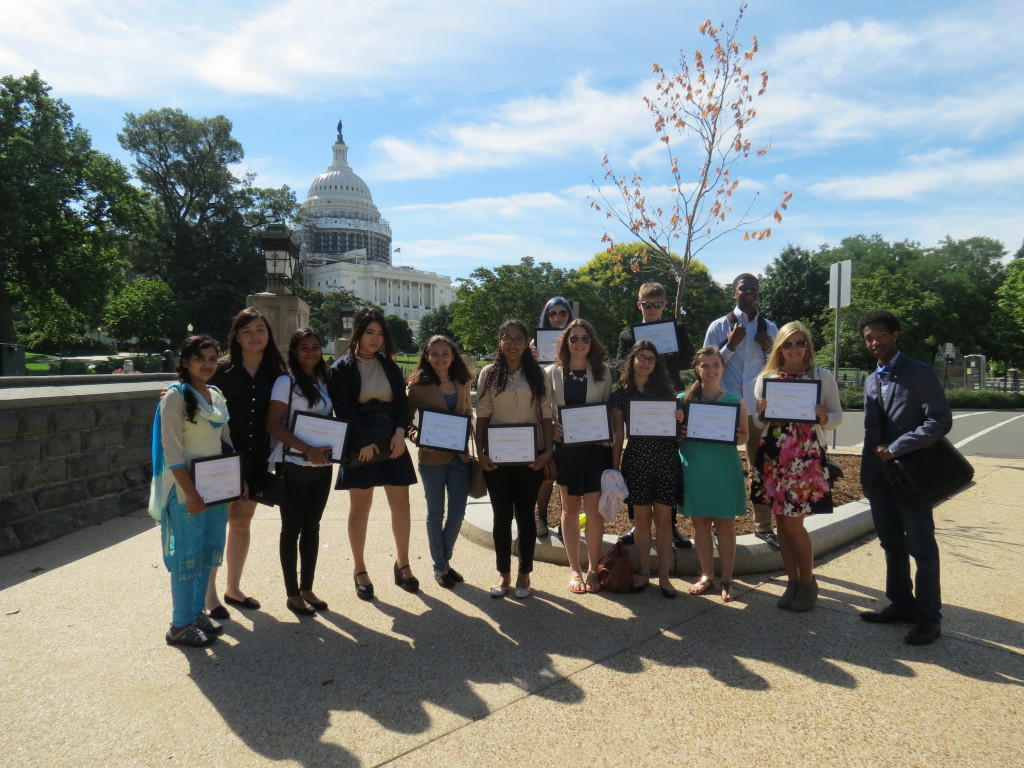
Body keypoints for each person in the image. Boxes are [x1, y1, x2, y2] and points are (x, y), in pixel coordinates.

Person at [858, 310, 951, 645]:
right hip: (880, 478)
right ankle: (900, 603)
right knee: (890, 543)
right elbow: (871, 434)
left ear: (895, 335)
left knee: (921, 547)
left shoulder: (919, 373)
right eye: (868, 337)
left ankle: (929, 618)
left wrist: (898, 447)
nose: (873, 343)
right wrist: (866, 474)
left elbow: (939, 420)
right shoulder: (871, 380)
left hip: (912, 475)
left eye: (879, 336)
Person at [149, 335, 235, 647]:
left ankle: (196, 612)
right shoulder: (174, 397)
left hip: (215, 487)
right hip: (187, 491)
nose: (208, 365)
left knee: (207, 550)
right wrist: (193, 494)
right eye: (201, 359)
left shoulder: (215, 394)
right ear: (185, 362)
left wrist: (237, 480)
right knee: (187, 554)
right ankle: (179, 624)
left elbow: (225, 442)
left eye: (213, 359)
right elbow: (173, 454)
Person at [751, 322, 842, 612]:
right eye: (788, 344)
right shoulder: (767, 378)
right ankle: (792, 581)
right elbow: (758, 423)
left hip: (806, 457)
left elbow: (838, 416)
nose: (794, 349)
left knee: (794, 523)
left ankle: (808, 582)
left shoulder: (821, 376)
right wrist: (761, 413)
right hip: (774, 456)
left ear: (807, 347)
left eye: (800, 343)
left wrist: (824, 416)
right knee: (780, 522)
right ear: (779, 347)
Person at [328, 307, 419, 600]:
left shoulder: (390, 366)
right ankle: (359, 568)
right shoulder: (342, 367)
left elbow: (401, 404)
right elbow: (343, 408)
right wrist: (363, 440)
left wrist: (399, 432)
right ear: (358, 332)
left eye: (380, 334)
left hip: (391, 439)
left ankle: (403, 564)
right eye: (370, 332)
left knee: (401, 505)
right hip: (361, 443)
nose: (376, 339)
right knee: (360, 507)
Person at [206, 307, 287, 620]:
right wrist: (172, 391)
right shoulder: (221, 370)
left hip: (256, 459)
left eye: (260, 330)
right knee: (216, 526)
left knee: (241, 523)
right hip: (222, 458)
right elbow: (193, 391)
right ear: (236, 337)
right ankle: (210, 594)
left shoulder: (276, 373)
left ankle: (233, 588)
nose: (255, 336)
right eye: (248, 331)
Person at [476, 319, 555, 599]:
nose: (512, 343)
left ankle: (524, 573)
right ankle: (503, 572)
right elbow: (483, 412)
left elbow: (546, 412)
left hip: (529, 457)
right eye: (507, 338)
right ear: (499, 342)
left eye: (518, 338)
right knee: (501, 516)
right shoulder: (489, 373)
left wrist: (547, 451)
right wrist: (480, 451)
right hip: (497, 459)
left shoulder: (538, 374)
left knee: (525, 516)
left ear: (526, 342)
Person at [615, 282, 695, 549]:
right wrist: (641, 360)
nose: (652, 309)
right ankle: (637, 525)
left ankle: (670, 526)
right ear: (639, 305)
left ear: (664, 305)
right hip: (637, 402)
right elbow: (619, 364)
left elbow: (688, 360)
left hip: (668, 397)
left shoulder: (677, 329)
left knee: (668, 462)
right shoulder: (628, 335)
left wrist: (661, 356)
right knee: (638, 461)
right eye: (646, 305)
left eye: (657, 305)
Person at [703, 273, 779, 550]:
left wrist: (770, 350)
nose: (748, 292)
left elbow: (781, 366)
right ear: (734, 292)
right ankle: (712, 525)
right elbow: (705, 366)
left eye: (753, 288)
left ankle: (764, 526)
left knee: (759, 468)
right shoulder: (719, 326)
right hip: (724, 406)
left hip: (759, 407)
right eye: (743, 288)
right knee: (717, 466)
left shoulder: (770, 329)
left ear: (758, 293)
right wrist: (730, 346)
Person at [265, 328, 334, 617]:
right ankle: (292, 593)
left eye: (315, 347)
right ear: (294, 351)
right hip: (293, 465)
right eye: (304, 348)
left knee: (313, 528)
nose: (310, 352)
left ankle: (307, 587)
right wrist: (308, 449)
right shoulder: (286, 382)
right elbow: (273, 425)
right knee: (291, 529)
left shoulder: (323, 380)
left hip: (321, 466)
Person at [610, 340, 683, 598]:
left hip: (665, 460)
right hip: (637, 460)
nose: (646, 362)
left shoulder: (666, 392)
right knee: (641, 521)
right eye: (641, 357)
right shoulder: (620, 394)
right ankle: (643, 572)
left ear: (656, 363)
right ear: (632, 360)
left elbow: (677, 437)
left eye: (651, 358)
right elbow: (619, 434)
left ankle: (664, 576)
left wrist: (679, 422)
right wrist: (614, 468)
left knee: (664, 521)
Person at [546, 319, 613, 594]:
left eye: (585, 339)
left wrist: (608, 431)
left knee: (595, 512)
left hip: (595, 451)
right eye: (574, 338)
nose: (579, 343)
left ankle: (592, 569)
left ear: (591, 342)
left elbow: (608, 408)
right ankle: (574, 568)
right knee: (570, 508)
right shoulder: (551, 372)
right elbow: (544, 407)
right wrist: (551, 426)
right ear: (566, 342)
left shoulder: (602, 372)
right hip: (567, 450)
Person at [679, 346, 748, 601]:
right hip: (694, 467)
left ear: (723, 367)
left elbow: (744, 436)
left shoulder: (735, 401)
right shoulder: (682, 400)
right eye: (705, 365)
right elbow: (673, 436)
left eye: (715, 364)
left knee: (726, 525)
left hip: (723, 469)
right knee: (699, 525)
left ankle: (727, 580)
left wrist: (737, 435)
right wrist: (679, 434)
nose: (710, 370)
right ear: (697, 369)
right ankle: (707, 575)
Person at [407, 335, 474, 589]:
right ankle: (440, 566)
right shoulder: (417, 385)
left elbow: (467, 411)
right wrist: (417, 438)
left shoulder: (463, 381)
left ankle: (443, 561)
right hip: (431, 458)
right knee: (436, 513)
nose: (440, 358)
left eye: (445, 353)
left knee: (457, 513)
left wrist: (465, 427)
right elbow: (406, 420)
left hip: (459, 457)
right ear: (426, 356)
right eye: (434, 354)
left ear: (453, 355)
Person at [532, 296, 573, 536]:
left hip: (571, 417)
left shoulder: (578, 341)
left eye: (563, 313)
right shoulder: (535, 346)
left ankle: (565, 519)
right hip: (544, 416)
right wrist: (530, 359)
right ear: (546, 317)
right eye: (552, 314)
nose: (558, 318)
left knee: (567, 472)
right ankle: (541, 517)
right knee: (546, 473)